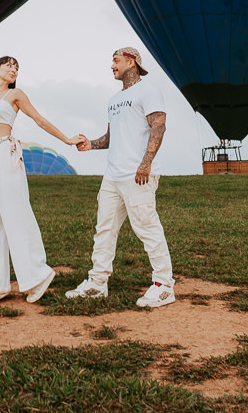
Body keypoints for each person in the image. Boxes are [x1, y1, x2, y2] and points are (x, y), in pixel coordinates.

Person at [0, 55, 85, 307]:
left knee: (16, 213)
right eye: (9, 65)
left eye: (17, 67)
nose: (13, 70)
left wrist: (66, 140)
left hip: (5, 152)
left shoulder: (15, 95)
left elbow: (39, 120)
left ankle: (37, 277)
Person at [68, 47, 175, 308]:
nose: (111, 66)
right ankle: (97, 283)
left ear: (131, 62)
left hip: (137, 174)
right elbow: (111, 137)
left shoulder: (148, 91)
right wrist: (89, 145)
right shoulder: (114, 99)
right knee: (104, 229)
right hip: (113, 176)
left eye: (115, 61)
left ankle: (164, 286)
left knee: (147, 228)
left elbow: (158, 125)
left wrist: (145, 164)